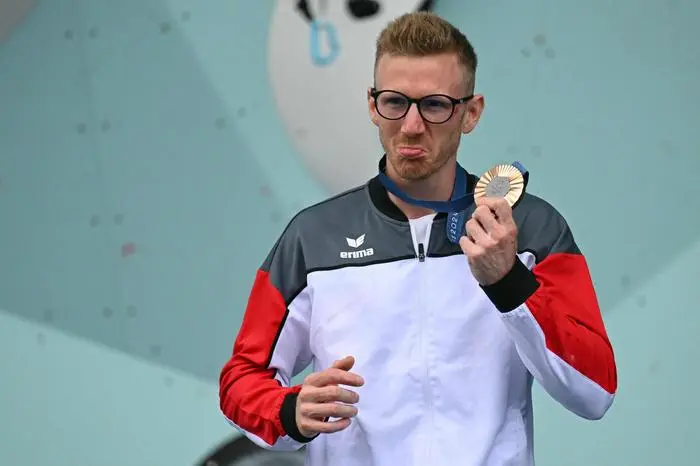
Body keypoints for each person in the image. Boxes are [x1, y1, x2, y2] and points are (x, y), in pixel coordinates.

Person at [219, 11, 617, 466]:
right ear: (372, 105)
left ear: (471, 113)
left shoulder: (530, 228)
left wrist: (509, 283)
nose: (410, 126)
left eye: (434, 105)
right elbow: (241, 380)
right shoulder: (313, 238)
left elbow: (595, 392)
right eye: (394, 102)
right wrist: (289, 411)